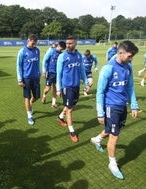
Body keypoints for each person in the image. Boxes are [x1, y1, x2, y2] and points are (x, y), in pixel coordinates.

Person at [90, 40, 139, 180]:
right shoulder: (108, 68)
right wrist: (100, 112)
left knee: (113, 129)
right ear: (121, 53)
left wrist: (134, 105)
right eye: (130, 56)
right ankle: (112, 163)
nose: (131, 59)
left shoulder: (128, 67)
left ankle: (97, 139)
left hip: (122, 105)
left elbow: (130, 87)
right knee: (114, 135)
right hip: (111, 106)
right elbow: (100, 92)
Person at [56, 36, 89, 142]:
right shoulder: (62, 56)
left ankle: (60, 116)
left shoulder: (79, 56)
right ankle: (72, 131)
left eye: (70, 43)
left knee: (71, 106)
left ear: (75, 43)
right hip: (67, 86)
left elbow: (82, 71)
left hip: (76, 86)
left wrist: (86, 82)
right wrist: (58, 88)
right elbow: (59, 74)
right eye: (67, 43)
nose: (68, 45)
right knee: (69, 109)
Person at [16, 34, 40, 125]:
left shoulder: (37, 50)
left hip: (36, 78)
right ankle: (29, 115)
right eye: (32, 43)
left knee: (37, 97)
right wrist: (19, 80)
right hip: (26, 78)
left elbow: (37, 63)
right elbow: (18, 66)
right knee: (27, 97)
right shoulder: (22, 51)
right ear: (28, 41)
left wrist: (39, 72)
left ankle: (29, 104)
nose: (33, 45)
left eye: (35, 43)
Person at [41, 41, 66, 108]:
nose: (61, 50)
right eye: (60, 49)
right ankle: (44, 95)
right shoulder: (51, 51)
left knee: (55, 88)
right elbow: (44, 60)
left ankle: (53, 103)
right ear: (58, 46)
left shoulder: (62, 54)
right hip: (50, 73)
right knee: (48, 88)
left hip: (57, 74)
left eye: (62, 50)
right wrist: (44, 71)